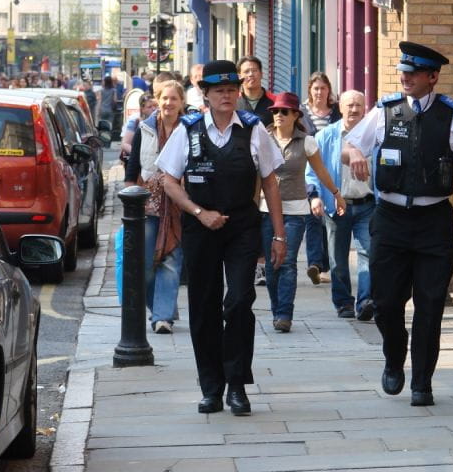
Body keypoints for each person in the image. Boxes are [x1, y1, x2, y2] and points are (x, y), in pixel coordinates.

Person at [343, 41, 453, 407]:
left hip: (433, 222)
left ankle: (422, 382)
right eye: (403, 72)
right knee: (385, 303)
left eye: (413, 73)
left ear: (433, 77)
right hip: (390, 219)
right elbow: (348, 147)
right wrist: (357, 153)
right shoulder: (385, 112)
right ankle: (394, 357)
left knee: (430, 305)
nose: (405, 78)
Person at [157, 60, 287, 416]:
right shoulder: (188, 130)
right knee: (204, 306)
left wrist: (279, 235)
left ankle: (237, 385)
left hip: (242, 226)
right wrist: (199, 212)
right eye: (219, 91)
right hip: (201, 228)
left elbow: (270, 181)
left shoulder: (253, 128)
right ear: (206, 95)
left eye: (231, 90)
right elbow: (168, 181)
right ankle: (211, 388)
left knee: (240, 301)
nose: (226, 96)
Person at [261, 92, 345, 333]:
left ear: (295, 115)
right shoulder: (263, 138)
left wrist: (336, 193)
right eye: (275, 111)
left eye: (284, 111)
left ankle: (284, 314)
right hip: (266, 209)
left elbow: (321, 171)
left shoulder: (307, 142)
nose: (278, 115)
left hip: (296, 210)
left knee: (287, 261)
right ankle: (277, 309)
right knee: (271, 264)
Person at [306, 90, 374, 320]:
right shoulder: (325, 136)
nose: (354, 109)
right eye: (349, 105)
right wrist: (315, 197)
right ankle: (344, 302)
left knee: (368, 252)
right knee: (338, 259)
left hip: (367, 205)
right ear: (340, 108)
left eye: (358, 105)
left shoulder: (373, 134)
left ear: (365, 108)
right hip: (337, 205)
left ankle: (365, 302)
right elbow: (312, 171)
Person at [124, 80, 186, 333]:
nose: (169, 103)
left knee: (171, 261)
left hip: (179, 205)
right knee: (145, 265)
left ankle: (162, 316)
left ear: (182, 102)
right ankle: (161, 306)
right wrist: (129, 200)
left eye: (174, 98)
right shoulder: (145, 129)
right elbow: (133, 166)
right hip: (148, 206)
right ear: (157, 100)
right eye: (164, 98)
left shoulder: (190, 129)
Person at [299, 72, 342, 285]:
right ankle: (315, 264)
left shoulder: (337, 112)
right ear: (310, 90)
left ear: (328, 90)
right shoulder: (301, 113)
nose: (319, 92)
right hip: (307, 170)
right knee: (313, 216)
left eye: (323, 88)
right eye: (315, 88)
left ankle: (326, 264)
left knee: (330, 217)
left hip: (331, 170)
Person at [235, 55, 275, 126]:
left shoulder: (275, 102)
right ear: (239, 76)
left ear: (261, 74)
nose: (251, 74)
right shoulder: (234, 102)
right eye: (246, 71)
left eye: (254, 70)